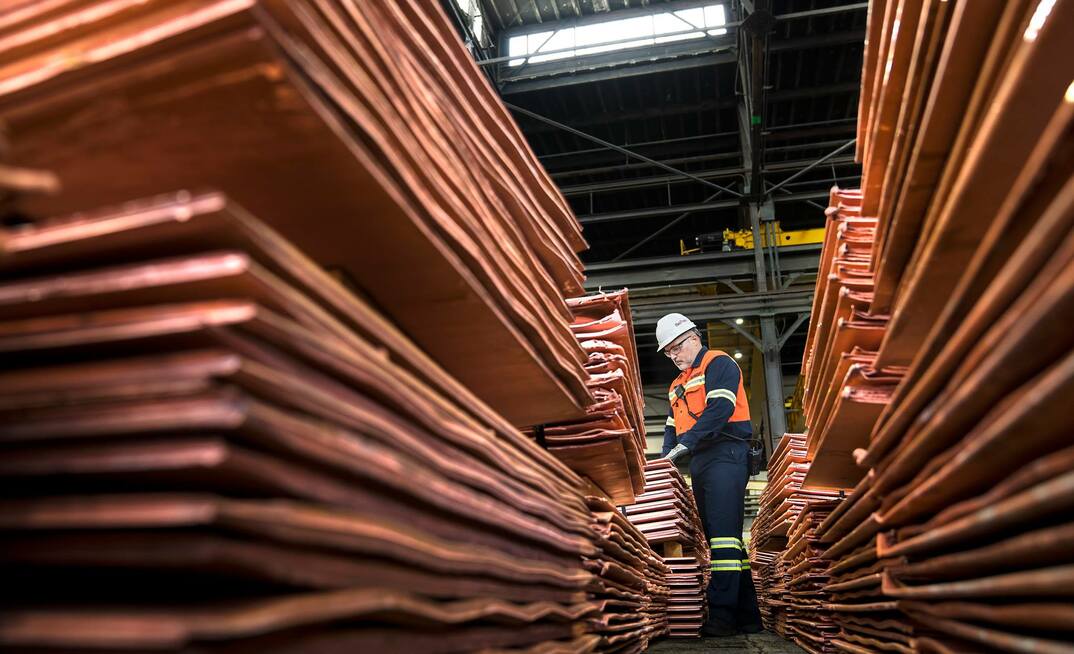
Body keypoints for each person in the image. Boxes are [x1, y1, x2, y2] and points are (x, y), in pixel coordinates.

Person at [656, 312, 763, 637]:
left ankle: (722, 616)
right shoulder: (677, 384)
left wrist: (686, 444)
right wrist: (664, 461)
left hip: (727, 453)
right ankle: (748, 616)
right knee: (725, 537)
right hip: (701, 461)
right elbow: (671, 427)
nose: (674, 356)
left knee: (722, 538)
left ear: (693, 338)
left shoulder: (718, 363)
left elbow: (720, 409)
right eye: (668, 352)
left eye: (677, 347)